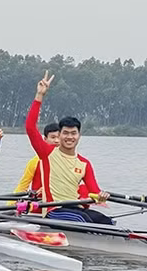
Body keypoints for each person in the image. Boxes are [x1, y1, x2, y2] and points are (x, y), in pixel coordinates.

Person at [25, 71, 112, 224]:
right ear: (59, 135)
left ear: (79, 136)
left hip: (75, 208)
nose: (69, 137)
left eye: (73, 133)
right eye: (65, 133)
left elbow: (94, 191)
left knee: (105, 220)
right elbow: (30, 128)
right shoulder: (47, 153)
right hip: (54, 210)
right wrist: (39, 96)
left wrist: (101, 196)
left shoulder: (84, 164)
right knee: (82, 218)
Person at [15, 122, 89, 198]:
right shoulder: (34, 162)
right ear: (45, 139)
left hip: (63, 198)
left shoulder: (72, 160)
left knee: (83, 188)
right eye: (53, 137)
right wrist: (12, 204)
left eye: (59, 137)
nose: (56, 141)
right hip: (41, 201)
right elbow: (23, 185)